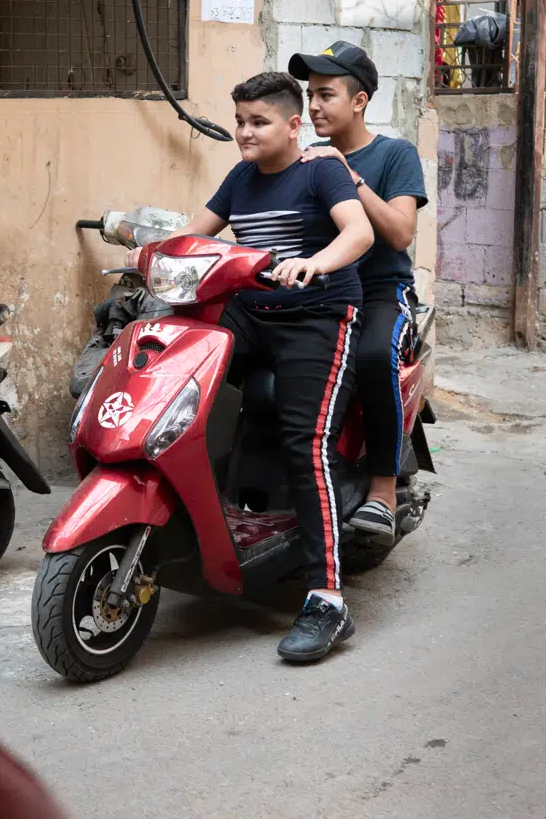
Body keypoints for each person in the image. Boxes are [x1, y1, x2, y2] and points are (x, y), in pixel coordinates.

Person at [133, 72, 374, 663]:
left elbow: (360, 232)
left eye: (258, 122)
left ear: (293, 125)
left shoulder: (321, 168)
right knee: (169, 376)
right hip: (252, 313)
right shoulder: (241, 176)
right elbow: (197, 233)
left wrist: (314, 264)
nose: (244, 131)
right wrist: (148, 254)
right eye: (240, 120)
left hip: (318, 315)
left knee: (305, 443)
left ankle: (327, 599)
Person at [292, 42, 428, 546]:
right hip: (319, 292)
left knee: (373, 356)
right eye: (310, 96)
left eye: (326, 94)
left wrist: (349, 178)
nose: (314, 106)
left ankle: (384, 492)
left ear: (359, 100)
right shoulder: (302, 158)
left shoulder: (394, 154)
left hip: (379, 293)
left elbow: (399, 233)